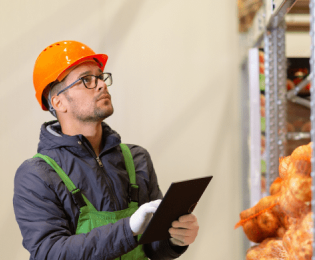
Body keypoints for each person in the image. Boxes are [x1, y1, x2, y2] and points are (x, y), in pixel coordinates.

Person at [13, 40, 199, 260]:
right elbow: (51, 253)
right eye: (86, 80)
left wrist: (174, 240)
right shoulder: (37, 175)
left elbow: (152, 246)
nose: (101, 85)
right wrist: (128, 228)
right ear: (59, 102)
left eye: (100, 76)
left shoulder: (136, 159)